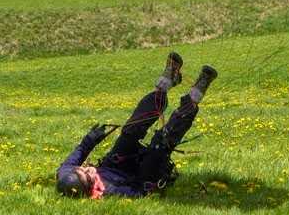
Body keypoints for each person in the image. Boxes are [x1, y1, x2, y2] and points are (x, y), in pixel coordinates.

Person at [56, 52, 217, 198]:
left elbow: (79, 153)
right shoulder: (111, 192)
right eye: (88, 175)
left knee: (130, 131)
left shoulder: (65, 174)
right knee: (161, 143)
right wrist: (152, 184)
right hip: (141, 175)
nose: (88, 169)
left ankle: (164, 85)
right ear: (90, 188)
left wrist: (91, 139)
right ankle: (196, 95)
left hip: (116, 163)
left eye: (82, 169)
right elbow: (140, 192)